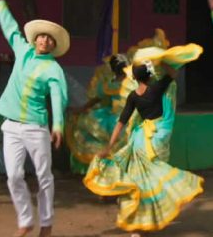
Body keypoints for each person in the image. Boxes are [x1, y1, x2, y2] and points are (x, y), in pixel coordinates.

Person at [84, 45, 204, 235]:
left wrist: (109, 146)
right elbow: (174, 73)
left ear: (135, 78)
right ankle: (149, 219)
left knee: (140, 180)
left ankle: (139, 224)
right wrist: (163, 59)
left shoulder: (133, 96)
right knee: (152, 179)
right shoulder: (157, 88)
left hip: (140, 140)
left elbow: (121, 122)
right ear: (149, 75)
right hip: (156, 137)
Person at [0, 0, 69, 237]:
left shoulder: (54, 70)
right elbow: (10, 27)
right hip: (11, 126)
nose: (44, 40)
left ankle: (47, 224)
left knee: (44, 177)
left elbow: (58, 98)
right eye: (42, 36)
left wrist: (58, 126)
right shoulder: (23, 51)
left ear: (53, 45)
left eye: (49, 39)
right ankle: (25, 220)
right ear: (36, 39)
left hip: (36, 128)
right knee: (13, 177)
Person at [67, 53, 130, 173]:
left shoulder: (127, 82)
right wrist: (82, 108)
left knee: (119, 144)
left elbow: (97, 98)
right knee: (114, 144)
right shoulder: (110, 84)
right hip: (116, 118)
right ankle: (110, 170)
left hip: (122, 117)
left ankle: (117, 170)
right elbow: (97, 98)